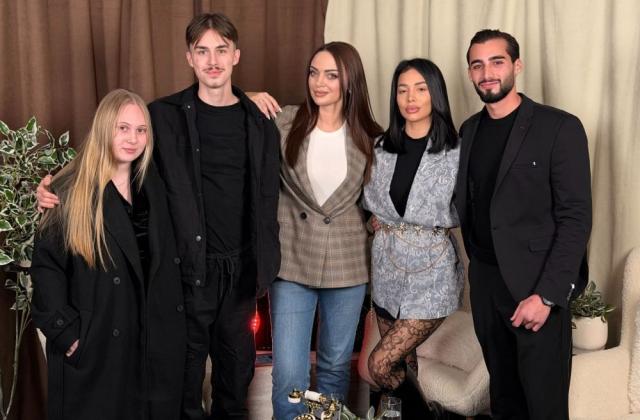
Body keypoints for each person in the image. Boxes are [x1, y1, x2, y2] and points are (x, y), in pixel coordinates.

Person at [36, 13, 281, 420]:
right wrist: (56, 187)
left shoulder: (259, 121)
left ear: (236, 55)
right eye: (202, 51)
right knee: (181, 389)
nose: (213, 60)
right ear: (189, 58)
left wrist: (248, 96)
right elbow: (108, 144)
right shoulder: (162, 117)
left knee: (235, 386)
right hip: (186, 275)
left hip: (241, 277)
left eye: (221, 51)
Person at [456, 29, 592, 419]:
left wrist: (547, 295)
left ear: (517, 66)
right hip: (486, 285)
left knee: (544, 407)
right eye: (477, 65)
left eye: (496, 62)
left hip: (536, 288)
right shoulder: (468, 131)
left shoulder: (559, 127)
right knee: (504, 402)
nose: (487, 73)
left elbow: (575, 217)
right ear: (470, 73)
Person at [30, 89, 187, 420]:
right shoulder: (68, 190)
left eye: (141, 130)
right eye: (123, 128)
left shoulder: (155, 186)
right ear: (104, 128)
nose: (133, 139)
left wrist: (250, 97)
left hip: (152, 344)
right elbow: (47, 269)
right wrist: (68, 334)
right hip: (97, 343)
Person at [268, 42, 382, 420]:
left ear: (350, 81)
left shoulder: (371, 137)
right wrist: (248, 95)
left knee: (334, 368)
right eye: (314, 72)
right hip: (292, 259)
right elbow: (230, 112)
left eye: (331, 75)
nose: (319, 82)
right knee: (290, 373)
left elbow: (381, 202)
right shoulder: (284, 120)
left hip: (348, 265)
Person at [362, 59, 463, 393]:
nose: (411, 98)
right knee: (405, 367)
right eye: (402, 90)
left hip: (432, 273)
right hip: (387, 269)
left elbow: (472, 206)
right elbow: (368, 202)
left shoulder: (457, 150)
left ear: (435, 93)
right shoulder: (380, 147)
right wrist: (372, 222)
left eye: (420, 89)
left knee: (380, 364)